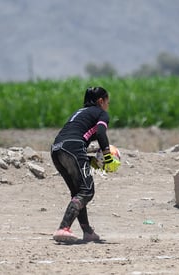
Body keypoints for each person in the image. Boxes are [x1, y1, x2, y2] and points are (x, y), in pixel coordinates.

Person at [50, 86, 121, 242]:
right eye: (107, 102)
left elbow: (75, 142)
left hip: (56, 149)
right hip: (73, 147)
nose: (107, 106)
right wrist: (108, 157)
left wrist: (93, 161)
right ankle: (63, 228)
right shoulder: (101, 113)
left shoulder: (79, 113)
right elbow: (101, 133)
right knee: (87, 191)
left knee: (78, 192)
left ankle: (87, 231)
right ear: (100, 101)